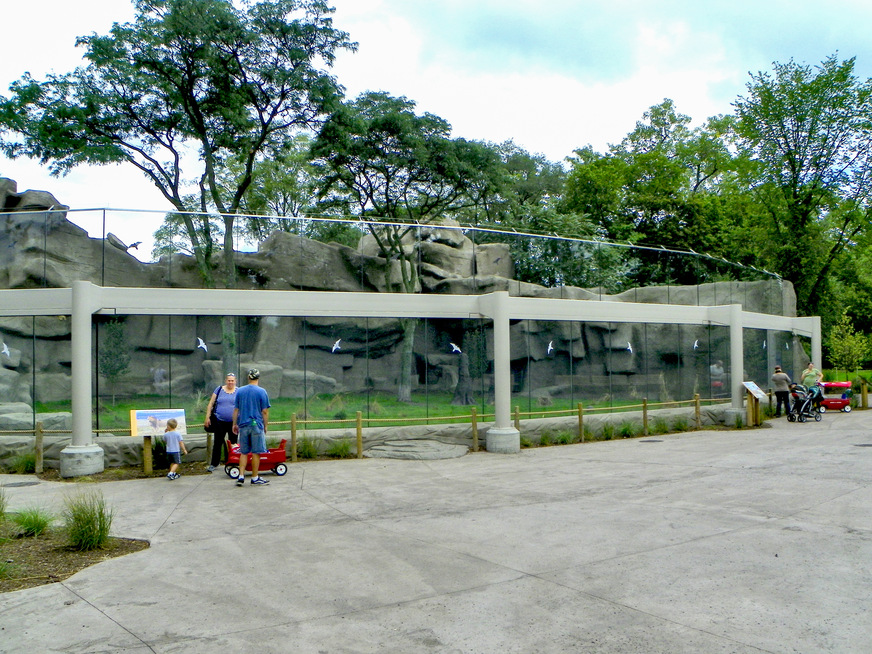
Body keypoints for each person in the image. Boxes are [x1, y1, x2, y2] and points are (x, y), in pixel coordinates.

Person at [232, 369, 271, 486]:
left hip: (243, 425)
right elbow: (264, 411)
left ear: (248, 378)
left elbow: (236, 409)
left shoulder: (240, 391)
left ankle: (241, 476)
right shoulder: (262, 392)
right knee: (256, 452)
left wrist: (234, 424)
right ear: (258, 378)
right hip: (256, 425)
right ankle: (254, 477)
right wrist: (265, 425)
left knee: (243, 452)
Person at [204, 373, 238, 472]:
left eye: (232, 380)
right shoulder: (219, 390)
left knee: (234, 443)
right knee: (218, 442)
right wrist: (207, 417)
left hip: (234, 422)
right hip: (219, 421)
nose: (230, 382)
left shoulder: (239, 391)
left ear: (235, 381)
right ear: (225, 381)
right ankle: (214, 463)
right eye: (229, 380)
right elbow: (210, 403)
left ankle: (233, 463)